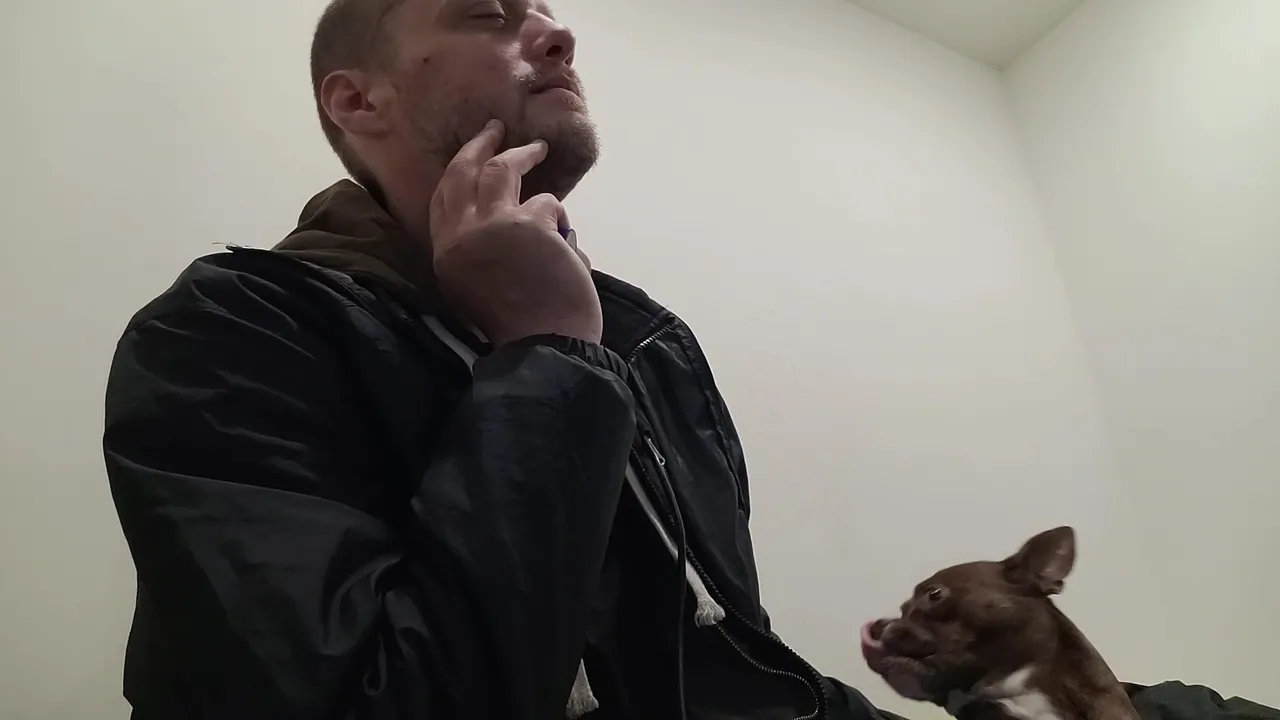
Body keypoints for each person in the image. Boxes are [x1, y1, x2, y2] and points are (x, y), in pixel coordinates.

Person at [103, 1, 894, 718]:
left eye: (547, 13)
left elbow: (731, 671)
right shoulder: (234, 327)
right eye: (487, 14)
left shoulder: (648, 348)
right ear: (358, 101)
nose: (559, 35)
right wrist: (549, 353)